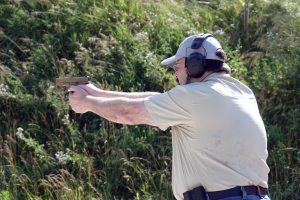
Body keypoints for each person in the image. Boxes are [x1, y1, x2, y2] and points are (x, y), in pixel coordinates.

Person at [68, 34, 271, 200]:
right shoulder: (240, 91)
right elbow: (155, 99)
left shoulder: (194, 97)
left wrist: (86, 104)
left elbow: (128, 113)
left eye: (177, 66)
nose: (175, 74)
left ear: (195, 64)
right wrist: (97, 93)